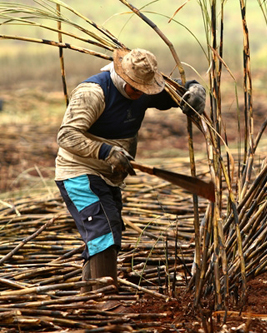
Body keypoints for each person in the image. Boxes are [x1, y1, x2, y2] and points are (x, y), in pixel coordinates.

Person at [54, 48, 206, 292]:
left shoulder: (146, 89)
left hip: (111, 176)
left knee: (108, 232)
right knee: (103, 231)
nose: (140, 95)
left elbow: (180, 91)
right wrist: (107, 152)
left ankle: (91, 295)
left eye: (145, 90)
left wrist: (196, 89)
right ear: (122, 76)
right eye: (135, 89)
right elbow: (66, 135)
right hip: (79, 172)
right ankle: (105, 297)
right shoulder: (93, 92)